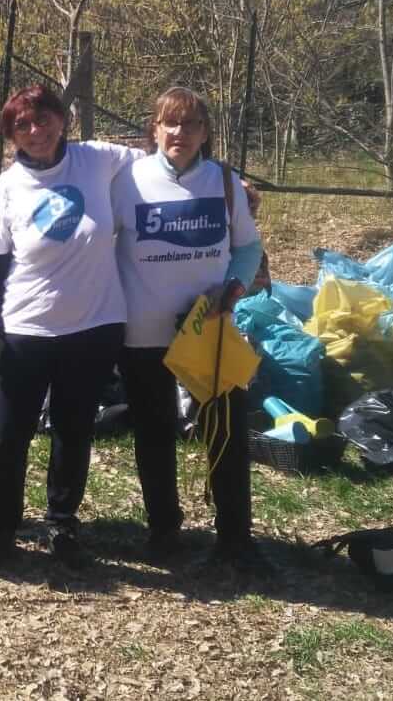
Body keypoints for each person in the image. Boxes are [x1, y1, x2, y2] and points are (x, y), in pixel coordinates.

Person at [0, 84, 136, 570]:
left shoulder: (99, 159)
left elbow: (165, 162)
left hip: (94, 326)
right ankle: (1, 529)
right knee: (8, 434)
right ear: (11, 134)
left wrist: (227, 183)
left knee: (72, 430)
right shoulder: (6, 188)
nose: (36, 132)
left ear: (63, 120)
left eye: (44, 119)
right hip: (24, 332)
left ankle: (62, 524)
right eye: (23, 125)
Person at [111, 86, 265, 572]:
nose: (180, 133)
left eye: (192, 124)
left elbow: (247, 248)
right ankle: (163, 530)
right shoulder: (127, 181)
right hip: (144, 330)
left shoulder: (223, 182)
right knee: (154, 433)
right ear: (154, 128)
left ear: (205, 132)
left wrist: (234, 288)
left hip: (210, 332)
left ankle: (235, 537)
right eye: (171, 123)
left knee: (226, 433)